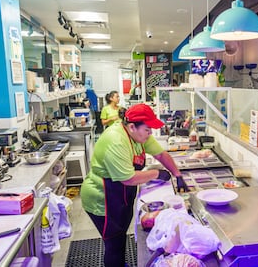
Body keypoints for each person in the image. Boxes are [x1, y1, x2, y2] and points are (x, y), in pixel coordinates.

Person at [80, 103, 188, 266]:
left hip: (119, 195)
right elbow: (128, 178)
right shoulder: (116, 141)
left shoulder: (139, 135)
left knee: (120, 236)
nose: (150, 133)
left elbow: (160, 154)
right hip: (102, 199)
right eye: (147, 129)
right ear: (132, 127)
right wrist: (157, 174)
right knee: (113, 244)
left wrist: (177, 174)